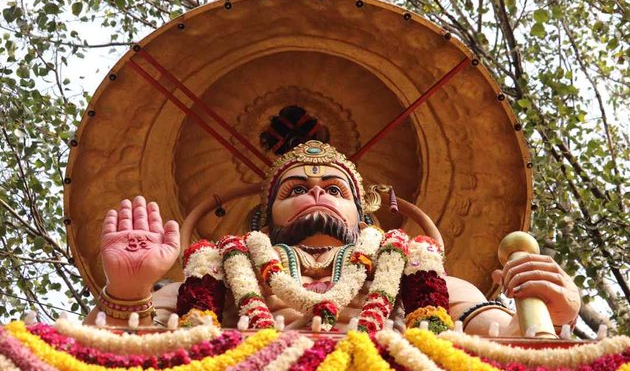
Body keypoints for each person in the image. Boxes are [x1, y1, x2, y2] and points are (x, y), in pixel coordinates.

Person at [85, 141, 580, 336]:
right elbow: (122, 348)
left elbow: (498, 340)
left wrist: (549, 315)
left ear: (360, 209)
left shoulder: (414, 266)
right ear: (267, 214)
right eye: (297, 188)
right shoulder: (220, 267)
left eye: (334, 188)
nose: (316, 193)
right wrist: (128, 293)